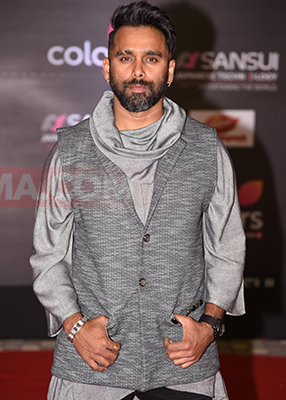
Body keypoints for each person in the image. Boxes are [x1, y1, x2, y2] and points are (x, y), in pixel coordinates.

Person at [30, 2, 245, 399]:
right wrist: (76, 328)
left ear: (171, 70)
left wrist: (210, 326)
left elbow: (227, 249)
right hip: (92, 364)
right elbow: (48, 257)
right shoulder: (70, 151)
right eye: (126, 58)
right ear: (107, 67)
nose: (139, 71)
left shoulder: (205, 148)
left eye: (152, 58)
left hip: (184, 363)